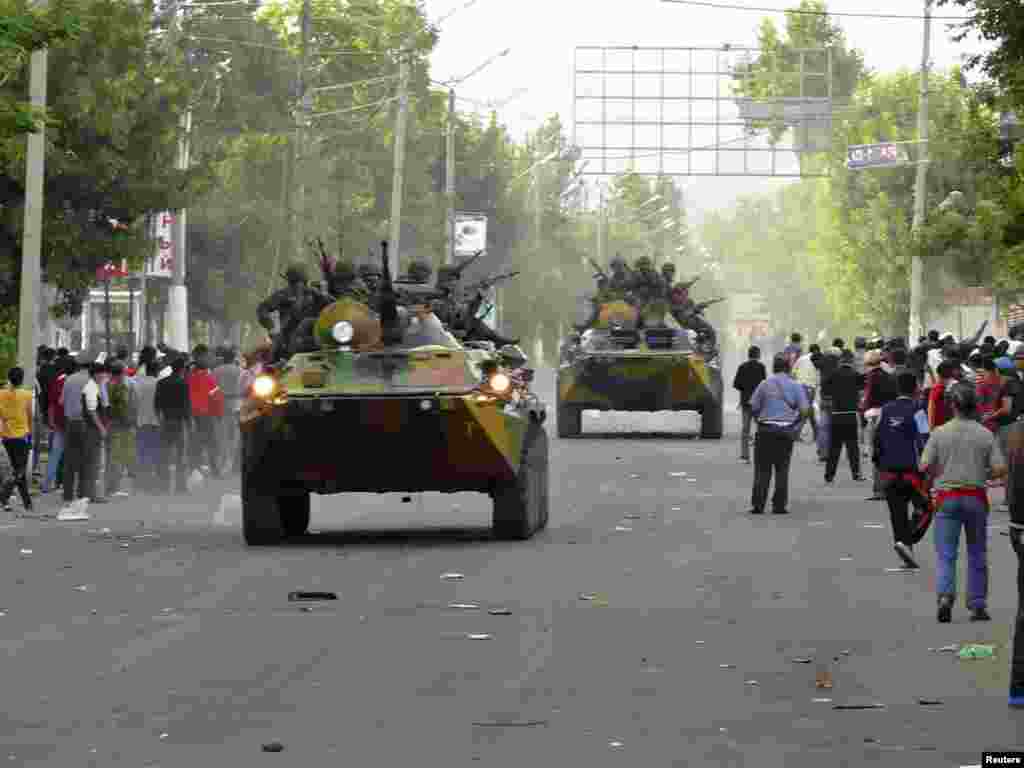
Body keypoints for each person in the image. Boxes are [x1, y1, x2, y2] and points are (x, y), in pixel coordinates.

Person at [920, 383, 1007, 623]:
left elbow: (924, 465)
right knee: (977, 552)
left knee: (946, 554)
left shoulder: (939, 433)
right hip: (976, 498)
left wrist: (938, 473)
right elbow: (1000, 468)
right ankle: (977, 605)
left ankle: (946, 597)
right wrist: (984, 474)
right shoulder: (985, 434)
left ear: (952, 405)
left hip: (947, 498)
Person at [874, 372, 930, 570]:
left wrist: (879, 464)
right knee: (926, 508)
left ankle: (904, 545)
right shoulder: (918, 409)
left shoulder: (885, 410)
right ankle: (909, 539)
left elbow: (877, 438)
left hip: (889, 472)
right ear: (915, 387)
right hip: (912, 473)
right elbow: (925, 439)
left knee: (897, 514)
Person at [747, 354, 810, 515]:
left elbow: (753, 407)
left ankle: (758, 505)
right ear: (788, 367)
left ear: (773, 366)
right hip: (785, 432)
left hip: (765, 431)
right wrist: (797, 427)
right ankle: (779, 505)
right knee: (782, 469)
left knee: (762, 469)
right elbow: (804, 410)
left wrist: (759, 422)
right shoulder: (796, 386)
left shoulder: (764, 384)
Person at [60, 360, 107, 518]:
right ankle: (86, 493)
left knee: (70, 460)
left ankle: (67, 494)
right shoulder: (94, 384)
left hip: (71, 423)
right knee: (89, 461)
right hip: (87, 425)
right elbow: (103, 403)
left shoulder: (68, 379)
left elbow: (61, 402)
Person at [822, 349, 863, 484]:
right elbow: (862, 388)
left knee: (834, 447)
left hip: (837, 414)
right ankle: (856, 473)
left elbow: (825, 389)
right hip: (851, 414)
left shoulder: (833, 375)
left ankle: (829, 475)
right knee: (853, 447)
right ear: (851, 361)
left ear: (840, 360)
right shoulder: (856, 375)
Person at [861, 349, 897, 501]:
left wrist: (862, 412)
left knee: (876, 453)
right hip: (888, 415)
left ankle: (879, 490)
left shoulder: (871, 377)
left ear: (868, 364)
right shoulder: (889, 376)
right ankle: (889, 487)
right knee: (887, 451)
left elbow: (868, 399)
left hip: (874, 416)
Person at [0, 367, 35, 515]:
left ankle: (27, 503)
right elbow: (29, 416)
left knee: (17, 469)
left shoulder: (1, 394)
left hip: (7, 436)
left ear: (9, 378)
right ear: (22, 379)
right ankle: (4, 495)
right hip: (22, 436)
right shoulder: (27, 395)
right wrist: (31, 434)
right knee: (20, 470)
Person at [155, 357, 191, 494]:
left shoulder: (161, 383)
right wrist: (189, 423)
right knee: (181, 455)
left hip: (165, 421)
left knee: (164, 455)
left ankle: (164, 485)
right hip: (179, 423)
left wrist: (160, 420)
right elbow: (186, 405)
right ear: (182, 369)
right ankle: (180, 486)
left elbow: (157, 405)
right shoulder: (184, 383)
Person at [187, 346, 223, 477]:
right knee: (211, 443)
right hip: (205, 416)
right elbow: (216, 398)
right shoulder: (208, 378)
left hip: (192, 415)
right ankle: (214, 469)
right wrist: (218, 414)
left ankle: (194, 468)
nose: (209, 359)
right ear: (199, 357)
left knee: (196, 443)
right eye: (207, 356)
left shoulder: (188, 376)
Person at [104, 361, 137, 497]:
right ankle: (113, 487)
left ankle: (109, 486)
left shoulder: (105, 385)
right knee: (118, 456)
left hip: (109, 423)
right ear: (122, 373)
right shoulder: (125, 386)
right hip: (122, 424)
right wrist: (131, 421)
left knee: (110, 456)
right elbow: (128, 405)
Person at [733, 346, 766, 463]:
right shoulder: (761, 367)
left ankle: (745, 456)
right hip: (758, 403)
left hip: (746, 402)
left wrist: (745, 389)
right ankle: (762, 454)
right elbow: (764, 384)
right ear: (757, 355)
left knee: (745, 430)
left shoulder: (742, 367)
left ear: (749, 354)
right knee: (761, 428)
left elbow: (736, 384)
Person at [213, 347, 244, 473]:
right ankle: (233, 461)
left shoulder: (216, 371)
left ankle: (225, 460)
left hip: (222, 403)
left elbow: (212, 389)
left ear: (223, 357)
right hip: (237, 403)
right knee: (236, 434)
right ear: (233, 357)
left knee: (222, 433)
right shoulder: (240, 370)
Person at [133, 360, 162, 493]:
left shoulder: (138, 384)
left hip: (140, 421)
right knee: (154, 451)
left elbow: (135, 402)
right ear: (156, 370)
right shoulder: (159, 383)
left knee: (141, 451)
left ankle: (140, 481)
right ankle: (151, 481)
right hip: (155, 422)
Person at [793, 343, 820, 445]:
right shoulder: (818, 359)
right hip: (810, 388)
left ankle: (817, 433)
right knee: (807, 410)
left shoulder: (801, 359)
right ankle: (796, 432)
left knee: (807, 410)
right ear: (817, 350)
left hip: (799, 387)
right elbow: (818, 376)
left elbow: (793, 372)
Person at [928, 359, 958, 431]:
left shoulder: (936, 389)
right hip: (955, 425)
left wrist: (931, 429)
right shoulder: (958, 386)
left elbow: (931, 410)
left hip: (939, 427)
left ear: (938, 374)